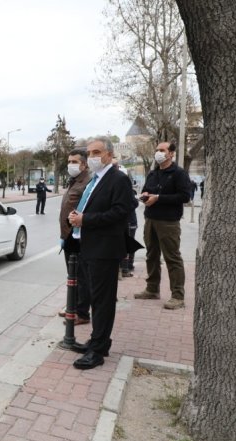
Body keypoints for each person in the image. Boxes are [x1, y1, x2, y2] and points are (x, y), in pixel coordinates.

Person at [67, 136, 135, 370]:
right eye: (90, 153)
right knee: (96, 298)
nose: (92, 157)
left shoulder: (118, 179)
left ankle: (97, 351)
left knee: (103, 301)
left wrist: (86, 219)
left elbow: (121, 212)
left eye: (96, 152)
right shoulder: (95, 179)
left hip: (105, 249)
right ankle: (98, 341)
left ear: (108, 154)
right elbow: (89, 206)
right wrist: (77, 216)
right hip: (89, 246)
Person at [133, 142, 191, 309]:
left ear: (171, 153)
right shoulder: (153, 173)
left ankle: (178, 296)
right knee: (151, 255)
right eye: (157, 150)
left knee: (172, 258)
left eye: (162, 150)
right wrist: (144, 195)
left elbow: (184, 196)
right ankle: (152, 289)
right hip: (150, 219)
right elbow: (146, 190)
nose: (158, 153)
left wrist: (158, 198)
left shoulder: (179, 173)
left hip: (169, 222)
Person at [58, 148, 91, 325]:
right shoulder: (75, 181)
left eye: (74, 162)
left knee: (81, 276)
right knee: (73, 275)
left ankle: (82, 313)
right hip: (69, 235)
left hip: (79, 235)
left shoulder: (88, 182)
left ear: (84, 164)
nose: (70, 165)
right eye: (69, 161)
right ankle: (73, 306)